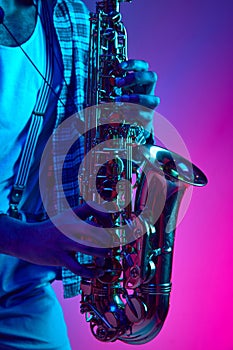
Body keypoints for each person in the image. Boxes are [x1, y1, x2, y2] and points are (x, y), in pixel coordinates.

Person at [0, 0, 159, 349]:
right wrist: (19, 238)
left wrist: (132, 125)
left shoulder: (69, 22)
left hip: (20, 285)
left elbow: (106, 155)